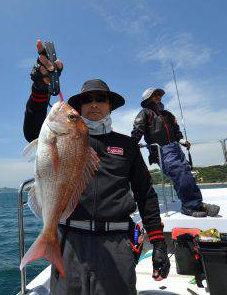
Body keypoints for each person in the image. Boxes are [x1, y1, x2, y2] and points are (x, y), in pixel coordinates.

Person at [23, 40, 170, 295]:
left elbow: (146, 194)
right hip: (69, 241)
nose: (94, 104)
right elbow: (32, 129)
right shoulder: (67, 136)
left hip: (117, 244)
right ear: (78, 108)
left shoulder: (127, 145)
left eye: (101, 99)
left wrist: (157, 242)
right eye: (87, 99)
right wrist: (40, 87)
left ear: (110, 105)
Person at [131, 87, 220, 218]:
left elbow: (177, 132)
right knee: (180, 172)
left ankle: (197, 203)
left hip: (176, 148)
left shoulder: (168, 114)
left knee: (186, 172)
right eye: (155, 95)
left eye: (159, 95)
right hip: (161, 150)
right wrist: (132, 145)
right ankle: (190, 206)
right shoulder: (145, 113)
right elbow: (137, 131)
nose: (158, 97)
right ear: (148, 98)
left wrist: (182, 141)